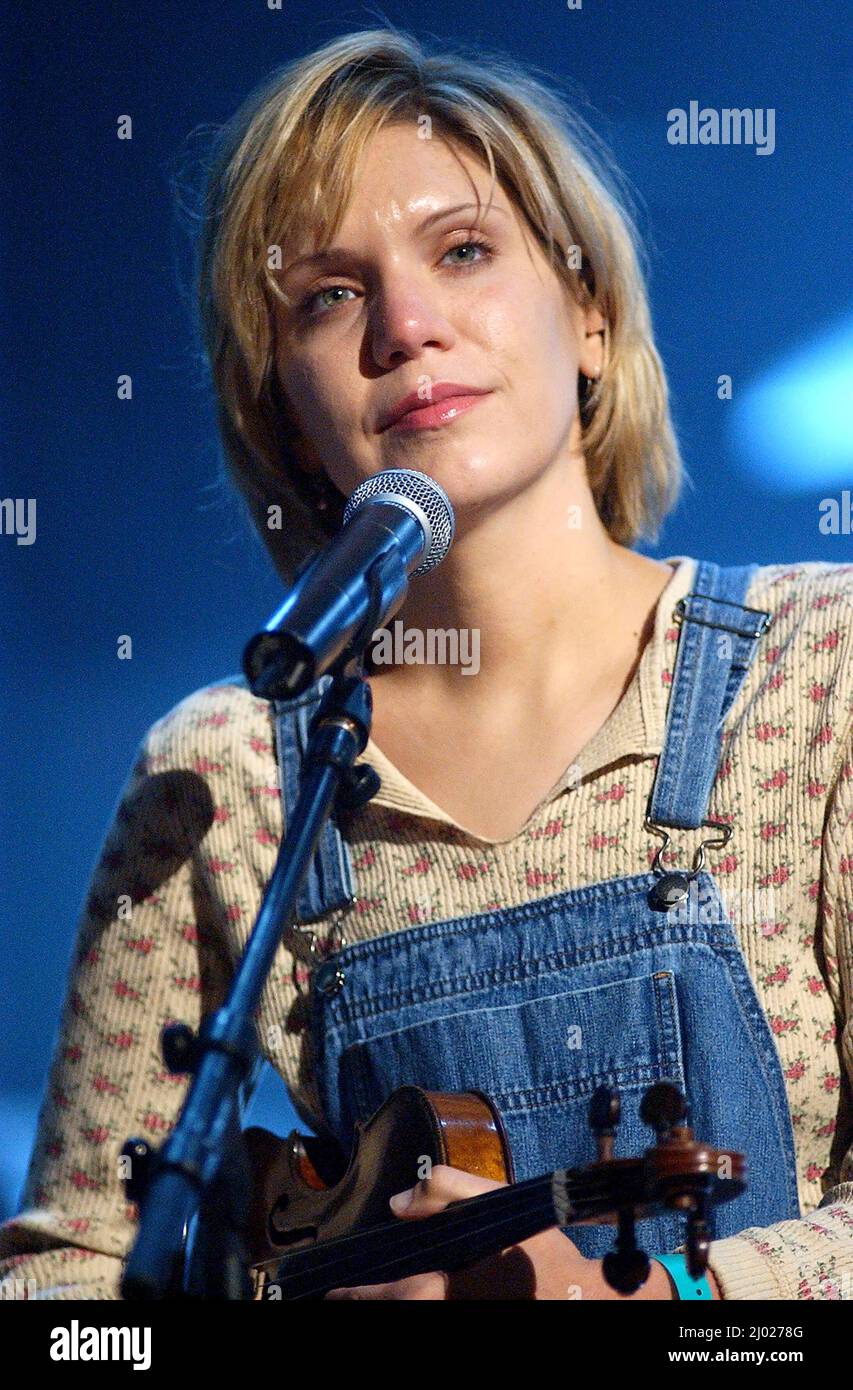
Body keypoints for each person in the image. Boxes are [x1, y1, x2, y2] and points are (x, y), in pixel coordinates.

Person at [2, 27, 851, 1302]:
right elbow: (64, 1300)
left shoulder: (824, 665)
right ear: (282, 402)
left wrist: (668, 1308)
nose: (405, 325)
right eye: (329, 296)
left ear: (589, 316)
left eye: (463, 251)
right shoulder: (217, 777)